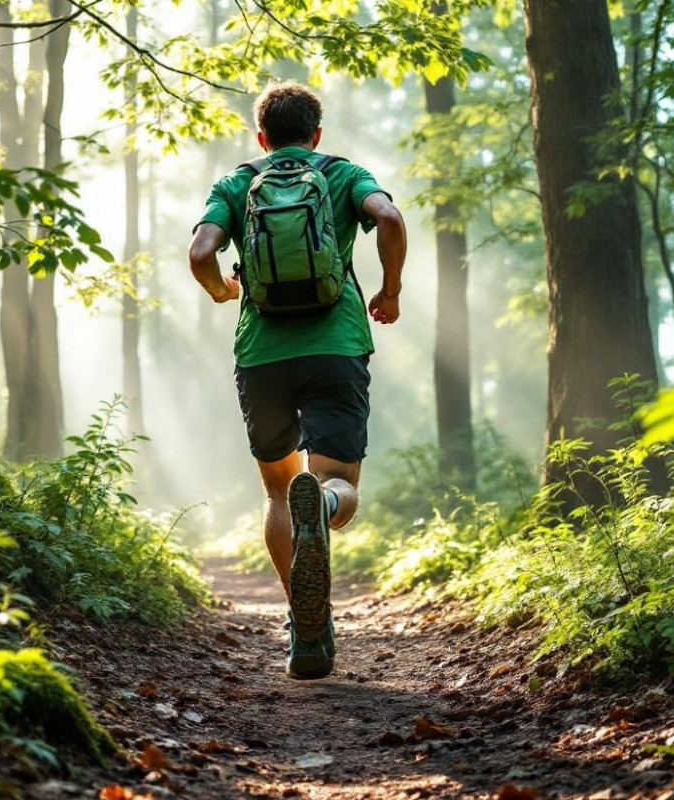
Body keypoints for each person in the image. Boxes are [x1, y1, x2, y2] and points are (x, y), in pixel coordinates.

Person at [187, 81, 407, 680]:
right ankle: (327, 502)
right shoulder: (341, 172)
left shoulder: (237, 183)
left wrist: (223, 292)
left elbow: (201, 253)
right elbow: (387, 216)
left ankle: (306, 630)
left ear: (262, 138)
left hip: (261, 356)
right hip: (336, 348)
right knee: (336, 483)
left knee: (280, 491)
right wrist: (389, 290)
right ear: (316, 134)